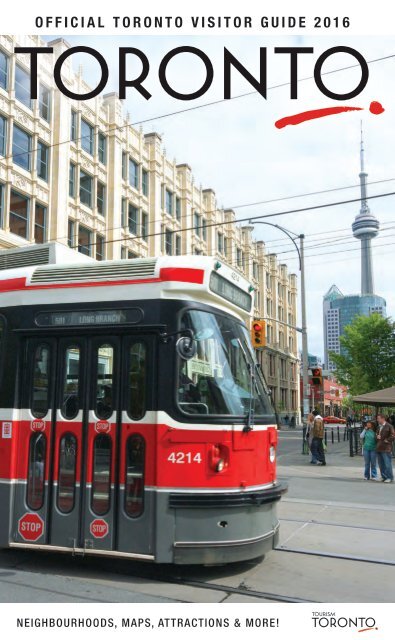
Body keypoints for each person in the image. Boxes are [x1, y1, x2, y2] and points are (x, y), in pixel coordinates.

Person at [376, 413, 394, 482]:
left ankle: (390, 477)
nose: (377, 420)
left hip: (386, 448)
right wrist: (377, 436)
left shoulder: (389, 426)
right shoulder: (379, 426)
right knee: (381, 464)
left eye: (378, 418)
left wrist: (387, 440)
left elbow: (392, 436)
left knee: (387, 463)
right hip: (379, 447)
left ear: (383, 419)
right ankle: (384, 476)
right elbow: (376, 434)